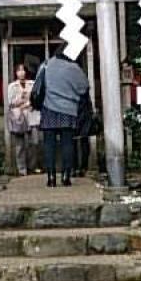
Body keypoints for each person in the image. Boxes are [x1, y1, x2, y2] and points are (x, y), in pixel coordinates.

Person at [39, 46, 89, 187]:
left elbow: (39, 85)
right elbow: (84, 87)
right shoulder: (74, 68)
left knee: (49, 145)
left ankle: (51, 177)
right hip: (69, 110)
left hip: (48, 108)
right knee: (68, 143)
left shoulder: (46, 65)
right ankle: (66, 176)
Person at [7, 63, 40, 176]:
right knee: (19, 144)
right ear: (15, 73)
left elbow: (37, 98)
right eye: (18, 70)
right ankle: (22, 169)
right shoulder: (12, 86)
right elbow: (10, 102)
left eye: (23, 70)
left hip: (31, 114)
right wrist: (20, 99)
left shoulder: (32, 83)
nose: (21, 72)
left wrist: (29, 103)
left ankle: (32, 166)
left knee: (34, 142)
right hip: (19, 116)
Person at [74, 88, 94, 177]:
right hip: (84, 117)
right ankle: (82, 167)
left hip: (75, 117)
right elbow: (89, 106)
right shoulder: (84, 88)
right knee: (84, 143)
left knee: (73, 143)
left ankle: (75, 168)